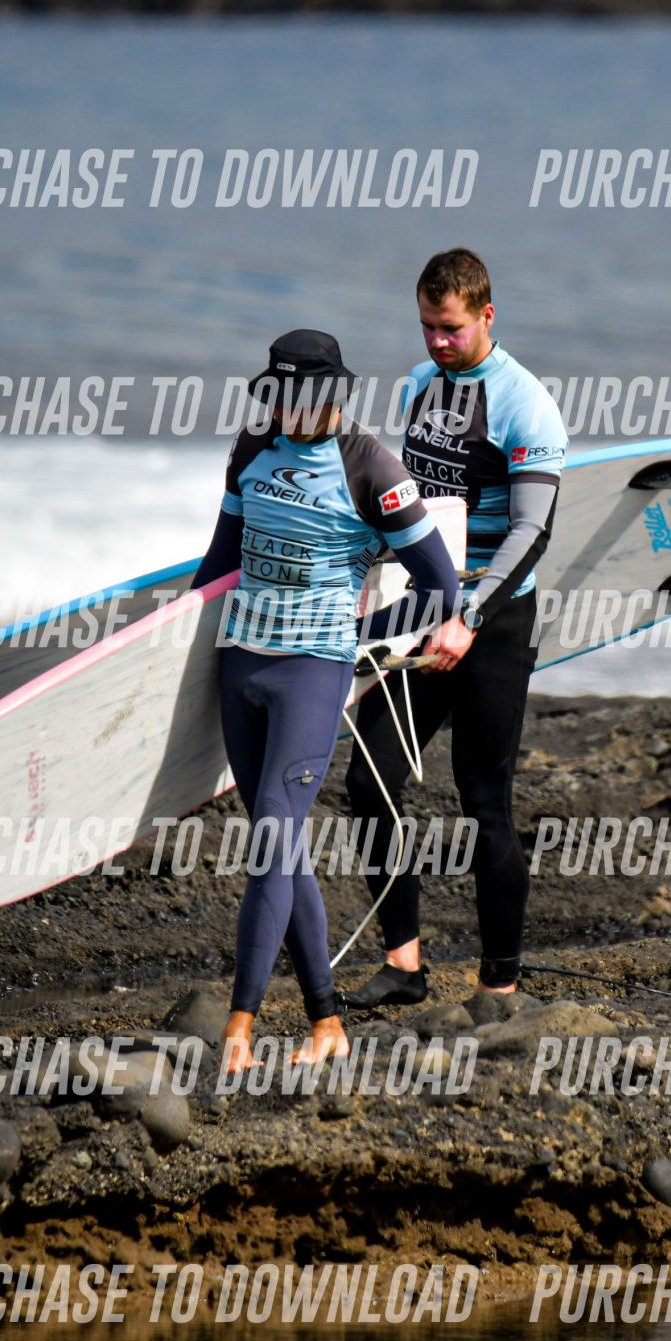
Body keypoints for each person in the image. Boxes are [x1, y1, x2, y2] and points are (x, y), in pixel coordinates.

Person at [190, 329, 461, 1073]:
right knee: (283, 848)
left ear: (334, 396)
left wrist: (357, 635)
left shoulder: (371, 468)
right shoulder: (252, 447)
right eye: (277, 398)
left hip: (311, 674)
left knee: (271, 843)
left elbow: (441, 588)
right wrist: (165, 650)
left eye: (301, 399)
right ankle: (327, 1022)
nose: (287, 412)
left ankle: (240, 1027)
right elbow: (220, 558)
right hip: (240, 665)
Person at [343, 249, 569, 1008]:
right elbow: (406, 506)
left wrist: (469, 619)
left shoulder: (526, 404)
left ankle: (498, 985)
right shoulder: (418, 384)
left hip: (493, 620)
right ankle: (404, 966)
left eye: (451, 327)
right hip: (423, 605)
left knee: (483, 803)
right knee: (369, 777)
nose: (438, 341)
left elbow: (533, 532)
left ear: (486, 315)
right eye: (427, 327)